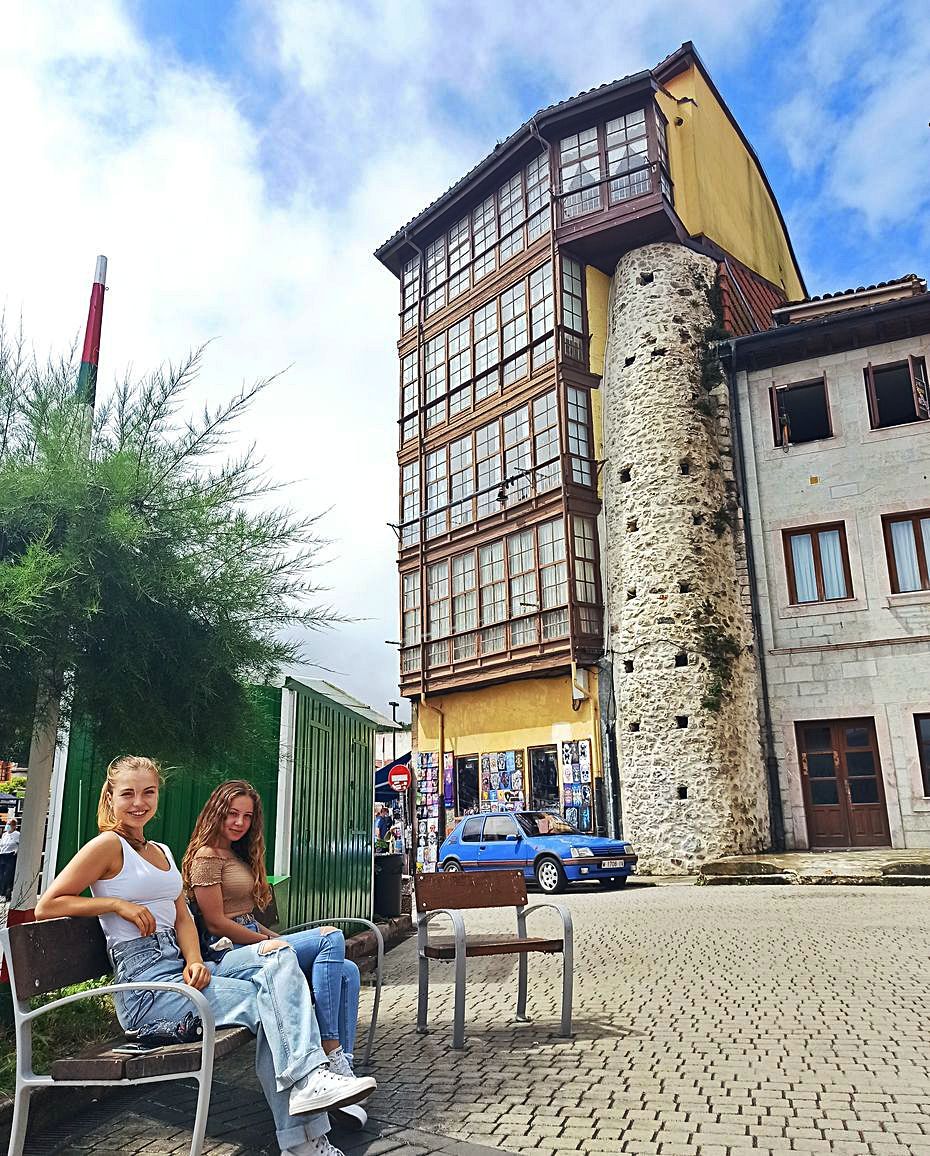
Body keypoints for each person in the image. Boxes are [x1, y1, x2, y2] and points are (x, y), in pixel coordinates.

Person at [35, 756, 374, 1156]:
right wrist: (116, 907)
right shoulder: (107, 845)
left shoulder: (160, 850)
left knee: (278, 961)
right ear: (110, 797)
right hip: (147, 988)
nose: (139, 802)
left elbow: (182, 917)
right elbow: (48, 904)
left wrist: (194, 958)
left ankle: (308, 1111)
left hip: (182, 969)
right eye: (128, 793)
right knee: (275, 1005)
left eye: (148, 792)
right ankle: (305, 1133)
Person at [181, 782, 366, 1129]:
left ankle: (342, 1069)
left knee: (348, 971)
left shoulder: (236, 854)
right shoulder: (206, 856)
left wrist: (277, 939)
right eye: (232, 813)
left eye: (247, 816)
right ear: (216, 811)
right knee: (331, 937)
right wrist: (269, 944)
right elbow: (216, 922)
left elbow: (247, 917)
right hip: (230, 955)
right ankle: (328, 1053)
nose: (239, 822)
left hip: (252, 942)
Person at [0, 819, 19, 899]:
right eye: (7, 824)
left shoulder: (17, 834)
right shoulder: (4, 835)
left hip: (10, 856)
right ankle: (1, 893)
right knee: (1, 875)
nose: (7, 826)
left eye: (9, 824)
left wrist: (16, 851)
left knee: (7, 875)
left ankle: (6, 894)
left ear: (14, 826)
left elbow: (19, 844)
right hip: (2, 855)